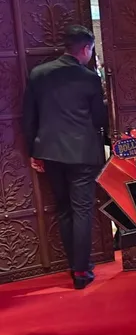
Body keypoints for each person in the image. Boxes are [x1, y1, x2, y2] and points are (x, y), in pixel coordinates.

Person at [22, 25, 108, 290]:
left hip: (49, 152)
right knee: (82, 209)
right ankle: (81, 271)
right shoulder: (89, 78)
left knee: (64, 208)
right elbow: (99, 118)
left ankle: (74, 264)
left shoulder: (38, 74)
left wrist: (33, 151)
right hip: (82, 153)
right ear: (86, 48)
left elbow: (29, 117)